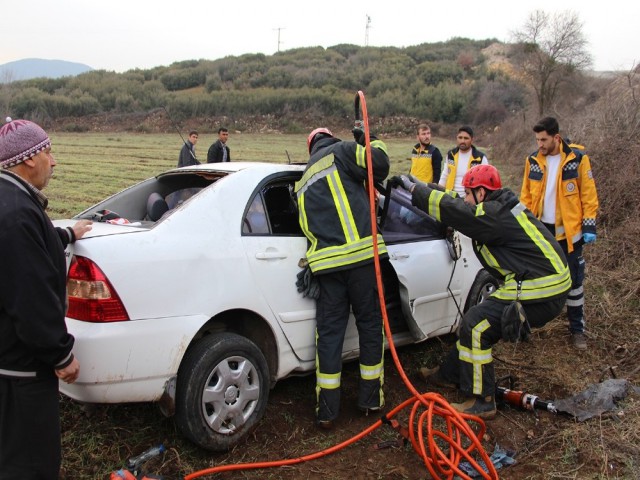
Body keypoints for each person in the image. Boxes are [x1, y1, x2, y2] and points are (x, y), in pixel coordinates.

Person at [390, 165, 570, 418]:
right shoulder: (496, 208)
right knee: (477, 315)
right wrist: (424, 186)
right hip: (544, 283)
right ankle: (449, 375)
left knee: (476, 325)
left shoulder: (493, 216)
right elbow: (458, 203)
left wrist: (414, 191)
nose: (464, 197)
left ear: (482, 193)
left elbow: (459, 211)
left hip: (542, 289)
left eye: (468, 193)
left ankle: (482, 400)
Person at [0, 119, 92, 479]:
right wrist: (61, 354)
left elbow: (29, 244)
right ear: (27, 160)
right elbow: (30, 299)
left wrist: (66, 233)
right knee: (29, 464)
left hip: (8, 365)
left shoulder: (11, 204)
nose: (53, 162)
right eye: (48, 152)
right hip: (22, 374)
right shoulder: (17, 215)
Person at [294, 126, 390, 428]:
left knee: (330, 336)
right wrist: (369, 140)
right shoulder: (342, 151)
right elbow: (380, 165)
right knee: (371, 326)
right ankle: (370, 400)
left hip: (327, 270)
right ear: (330, 138)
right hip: (361, 261)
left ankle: (327, 411)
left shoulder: (302, 182)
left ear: (310, 148)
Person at [520, 117, 599, 350]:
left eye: (543, 139)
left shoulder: (578, 159)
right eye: (537, 139)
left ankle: (577, 330)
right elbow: (525, 195)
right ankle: (527, 325)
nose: (540, 144)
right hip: (541, 231)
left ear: (556, 137)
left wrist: (589, 226)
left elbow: (588, 195)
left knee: (574, 283)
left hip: (569, 235)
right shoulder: (533, 160)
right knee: (535, 279)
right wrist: (523, 224)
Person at [438, 125, 488, 197]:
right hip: (450, 198)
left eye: (466, 138)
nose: (462, 141)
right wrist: (439, 191)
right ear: (457, 138)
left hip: (470, 200)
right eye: (460, 138)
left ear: (472, 140)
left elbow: (485, 183)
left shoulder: (480, 158)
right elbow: (445, 174)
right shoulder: (451, 155)